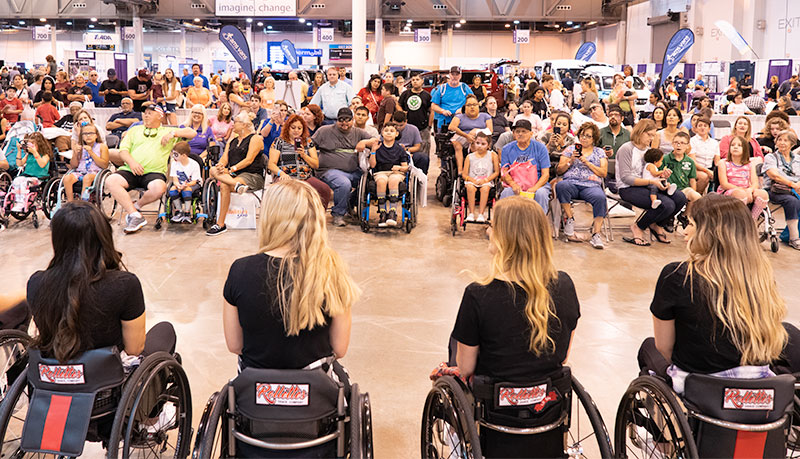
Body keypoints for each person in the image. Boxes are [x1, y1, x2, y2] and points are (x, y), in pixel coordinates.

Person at [450, 196, 580, 455]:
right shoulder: (564, 284)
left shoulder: (478, 294)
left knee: (457, 343)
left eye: (492, 226)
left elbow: (465, 369)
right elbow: (563, 355)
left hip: (496, 411)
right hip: (547, 404)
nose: (488, 230)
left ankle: (456, 436)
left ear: (504, 237)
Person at [640, 193, 799, 396]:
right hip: (758, 387)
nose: (685, 233)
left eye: (690, 224)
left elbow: (665, 348)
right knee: (789, 332)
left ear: (707, 232)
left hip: (700, 387)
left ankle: (660, 417)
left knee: (648, 348)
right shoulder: (760, 275)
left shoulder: (677, 275)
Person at [222, 179, 360, 374]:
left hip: (254, 392)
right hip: (315, 392)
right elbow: (339, 348)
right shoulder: (331, 268)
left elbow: (235, 345)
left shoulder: (240, 270)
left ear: (271, 217)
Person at [27, 200, 177, 369]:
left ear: (57, 239)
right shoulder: (125, 284)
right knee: (165, 331)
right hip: (104, 377)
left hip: (52, 375)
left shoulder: (36, 283)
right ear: (103, 235)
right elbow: (134, 350)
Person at [103, 105, 197, 234]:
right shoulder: (134, 130)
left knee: (159, 188)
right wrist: (132, 163)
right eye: (145, 113)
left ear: (160, 116)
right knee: (111, 180)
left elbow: (192, 133)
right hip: (131, 169)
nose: (146, 115)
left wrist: (173, 133)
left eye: (150, 113)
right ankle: (135, 216)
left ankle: (137, 206)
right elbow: (123, 151)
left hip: (154, 172)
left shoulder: (167, 132)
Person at [616, 119, 688, 246]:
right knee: (667, 204)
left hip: (648, 185)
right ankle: (638, 226)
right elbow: (626, 178)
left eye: (653, 135)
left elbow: (652, 170)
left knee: (680, 198)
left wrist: (662, 175)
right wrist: (652, 181)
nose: (651, 138)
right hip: (628, 188)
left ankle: (656, 224)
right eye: (649, 135)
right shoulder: (626, 149)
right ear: (640, 132)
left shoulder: (648, 150)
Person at [312, 107, 377, 227]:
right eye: (341, 120)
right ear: (337, 120)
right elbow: (310, 144)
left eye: (347, 120)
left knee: (370, 182)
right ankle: (338, 214)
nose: (344, 123)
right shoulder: (324, 131)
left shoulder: (358, 132)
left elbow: (376, 140)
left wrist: (364, 142)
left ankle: (350, 203)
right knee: (344, 184)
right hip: (329, 171)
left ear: (352, 120)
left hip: (353, 171)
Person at [206, 112, 265, 236]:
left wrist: (231, 169)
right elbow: (224, 159)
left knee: (224, 185)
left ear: (244, 125)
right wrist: (221, 165)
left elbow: (249, 160)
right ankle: (221, 223)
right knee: (213, 170)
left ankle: (220, 224)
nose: (233, 124)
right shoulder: (232, 141)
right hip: (234, 176)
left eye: (236, 121)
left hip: (251, 175)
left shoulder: (256, 138)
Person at [555, 122, 609, 249]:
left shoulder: (599, 152)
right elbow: (559, 171)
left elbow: (603, 173)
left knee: (600, 198)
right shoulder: (569, 149)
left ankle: (596, 234)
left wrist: (587, 162)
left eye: (588, 136)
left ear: (594, 138)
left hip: (591, 185)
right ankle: (570, 218)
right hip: (571, 183)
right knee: (561, 186)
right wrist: (571, 161)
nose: (584, 138)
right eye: (582, 135)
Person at [267, 114, 332, 209]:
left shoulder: (308, 142)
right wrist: (282, 174)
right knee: (287, 192)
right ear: (288, 128)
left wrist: (304, 155)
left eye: (299, 128)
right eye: (293, 128)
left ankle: (317, 217)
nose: (296, 131)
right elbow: (271, 164)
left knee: (324, 189)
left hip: (305, 177)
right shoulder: (279, 142)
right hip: (285, 177)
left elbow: (315, 165)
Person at [499, 119, 551, 210]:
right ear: (514, 134)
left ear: (531, 133)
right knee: (506, 193)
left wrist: (534, 188)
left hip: (537, 185)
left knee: (541, 194)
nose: (520, 134)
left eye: (524, 131)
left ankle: (539, 223)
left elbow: (545, 174)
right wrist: (513, 184)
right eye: (517, 131)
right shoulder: (507, 149)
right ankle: (505, 223)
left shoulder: (540, 148)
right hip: (515, 184)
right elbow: (504, 172)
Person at [716, 135, 769, 220]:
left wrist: (749, 190)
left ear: (745, 149)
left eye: (739, 145)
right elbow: (724, 184)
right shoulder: (723, 163)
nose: (735, 147)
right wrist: (743, 190)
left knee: (763, 194)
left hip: (746, 191)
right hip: (729, 191)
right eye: (733, 145)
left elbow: (755, 183)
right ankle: (741, 220)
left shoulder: (749, 164)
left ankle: (752, 220)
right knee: (740, 194)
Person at [763, 130, 800, 249]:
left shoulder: (797, 159)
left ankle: (787, 234)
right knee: (792, 201)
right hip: (776, 190)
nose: (782, 143)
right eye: (780, 140)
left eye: (786, 140)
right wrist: (793, 184)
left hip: (796, 188)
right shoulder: (771, 157)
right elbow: (774, 176)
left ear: (792, 144)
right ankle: (793, 237)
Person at [368, 123, 409, 227]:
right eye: (386, 130)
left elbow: (406, 167)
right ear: (382, 133)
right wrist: (373, 151)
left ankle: (392, 212)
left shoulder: (400, 149)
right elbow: (372, 165)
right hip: (380, 172)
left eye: (391, 131)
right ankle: (382, 212)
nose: (389, 133)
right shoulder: (378, 147)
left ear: (396, 134)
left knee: (393, 179)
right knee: (381, 181)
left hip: (396, 173)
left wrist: (399, 168)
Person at [62, 123, 109, 202]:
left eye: (91, 133)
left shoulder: (101, 147)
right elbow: (73, 166)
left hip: (95, 173)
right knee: (67, 178)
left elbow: (104, 165)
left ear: (96, 135)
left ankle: (83, 202)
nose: (88, 136)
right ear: (82, 136)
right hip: (80, 172)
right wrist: (76, 154)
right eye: (85, 134)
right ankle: (70, 203)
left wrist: (91, 153)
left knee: (87, 178)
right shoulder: (80, 147)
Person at [449, 94, 493, 174]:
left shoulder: (485, 116)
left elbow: (490, 130)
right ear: (465, 107)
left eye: (474, 105)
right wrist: (466, 135)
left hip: (480, 138)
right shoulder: (460, 116)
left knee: (476, 144)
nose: (472, 107)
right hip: (462, 137)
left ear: (478, 106)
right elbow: (452, 127)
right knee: (457, 144)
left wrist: (476, 131)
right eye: (469, 105)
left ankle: (476, 169)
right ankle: (460, 170)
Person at [462, 132, 499, 223]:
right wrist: (472, 180)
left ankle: (481, 214)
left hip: (486, 181)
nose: (480, 146)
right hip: (472, 180)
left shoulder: (493, 155)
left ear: (488, 145)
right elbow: (464, 174)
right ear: (474, 143)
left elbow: (497, 172)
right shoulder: (469, 157)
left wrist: (486, 180)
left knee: (485, 188)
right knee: (470, 187)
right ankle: (471, 213)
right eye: (477, 143)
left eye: (483, 144)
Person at [9, 132, 51, 212]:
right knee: (17, 180)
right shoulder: (29, 155)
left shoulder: (45, 155)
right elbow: (19, 164)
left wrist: (35, 152)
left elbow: (42, 164)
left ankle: (22, 203)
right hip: (27, 175)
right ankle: (18, 202)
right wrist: (19, 151)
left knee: (25, 183)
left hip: (39, 177)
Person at [166, 141, 202, 223]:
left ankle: (187, 213)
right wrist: (178, 185)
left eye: (176, 154)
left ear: (184, 156)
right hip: (181, 183)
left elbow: (194, 181)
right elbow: (175, 179)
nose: (174, 156)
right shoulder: (174, 163)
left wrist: (185, 185)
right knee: (172, 189)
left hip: (193, 184)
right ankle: (179, 211)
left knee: (186, 190)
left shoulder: (194, 164)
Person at [399, 73, 433, 158]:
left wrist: (429, 125)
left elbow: (432, 110)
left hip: (423, 127)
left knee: (423, 151)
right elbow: (398, 104)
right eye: (413, 80)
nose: (415, 82)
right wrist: (402, 112)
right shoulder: (405, 94)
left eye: (417, 80)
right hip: (408, 127)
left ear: (422, 81)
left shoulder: (427, 95)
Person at [663, 131, 702, 204]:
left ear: (687, 145)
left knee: (697, 196)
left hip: (684, 190)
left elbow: (692, 180)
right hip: (668, 189)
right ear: (672, 144)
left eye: (682, 143)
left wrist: (693, 192)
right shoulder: (665, 159)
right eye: (676, 142)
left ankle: (686, 215)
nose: (678, 145)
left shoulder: (690, 161)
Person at [431, 66, 472, 132]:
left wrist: (462, 109)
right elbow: (433, 105)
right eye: (453, 74)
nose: (454, 76)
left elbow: (473, 103)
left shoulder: (464, 88)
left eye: (457, 74)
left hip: (461, 124)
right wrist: (443, 111)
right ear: (449, 75)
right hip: (444, 124)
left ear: (460, 76)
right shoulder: (442, 88)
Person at [688, 117, 717, 193]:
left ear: (709, 129)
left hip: (710, 168)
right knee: (704, 176)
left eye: (705, 126)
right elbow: (693, 162)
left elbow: (717, 162)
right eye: (700, 125)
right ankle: (697, 197)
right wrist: (707, 171)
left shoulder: (715, 143)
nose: (702, 128)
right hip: (695, 169)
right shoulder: (692, 141)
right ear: (696, 129)